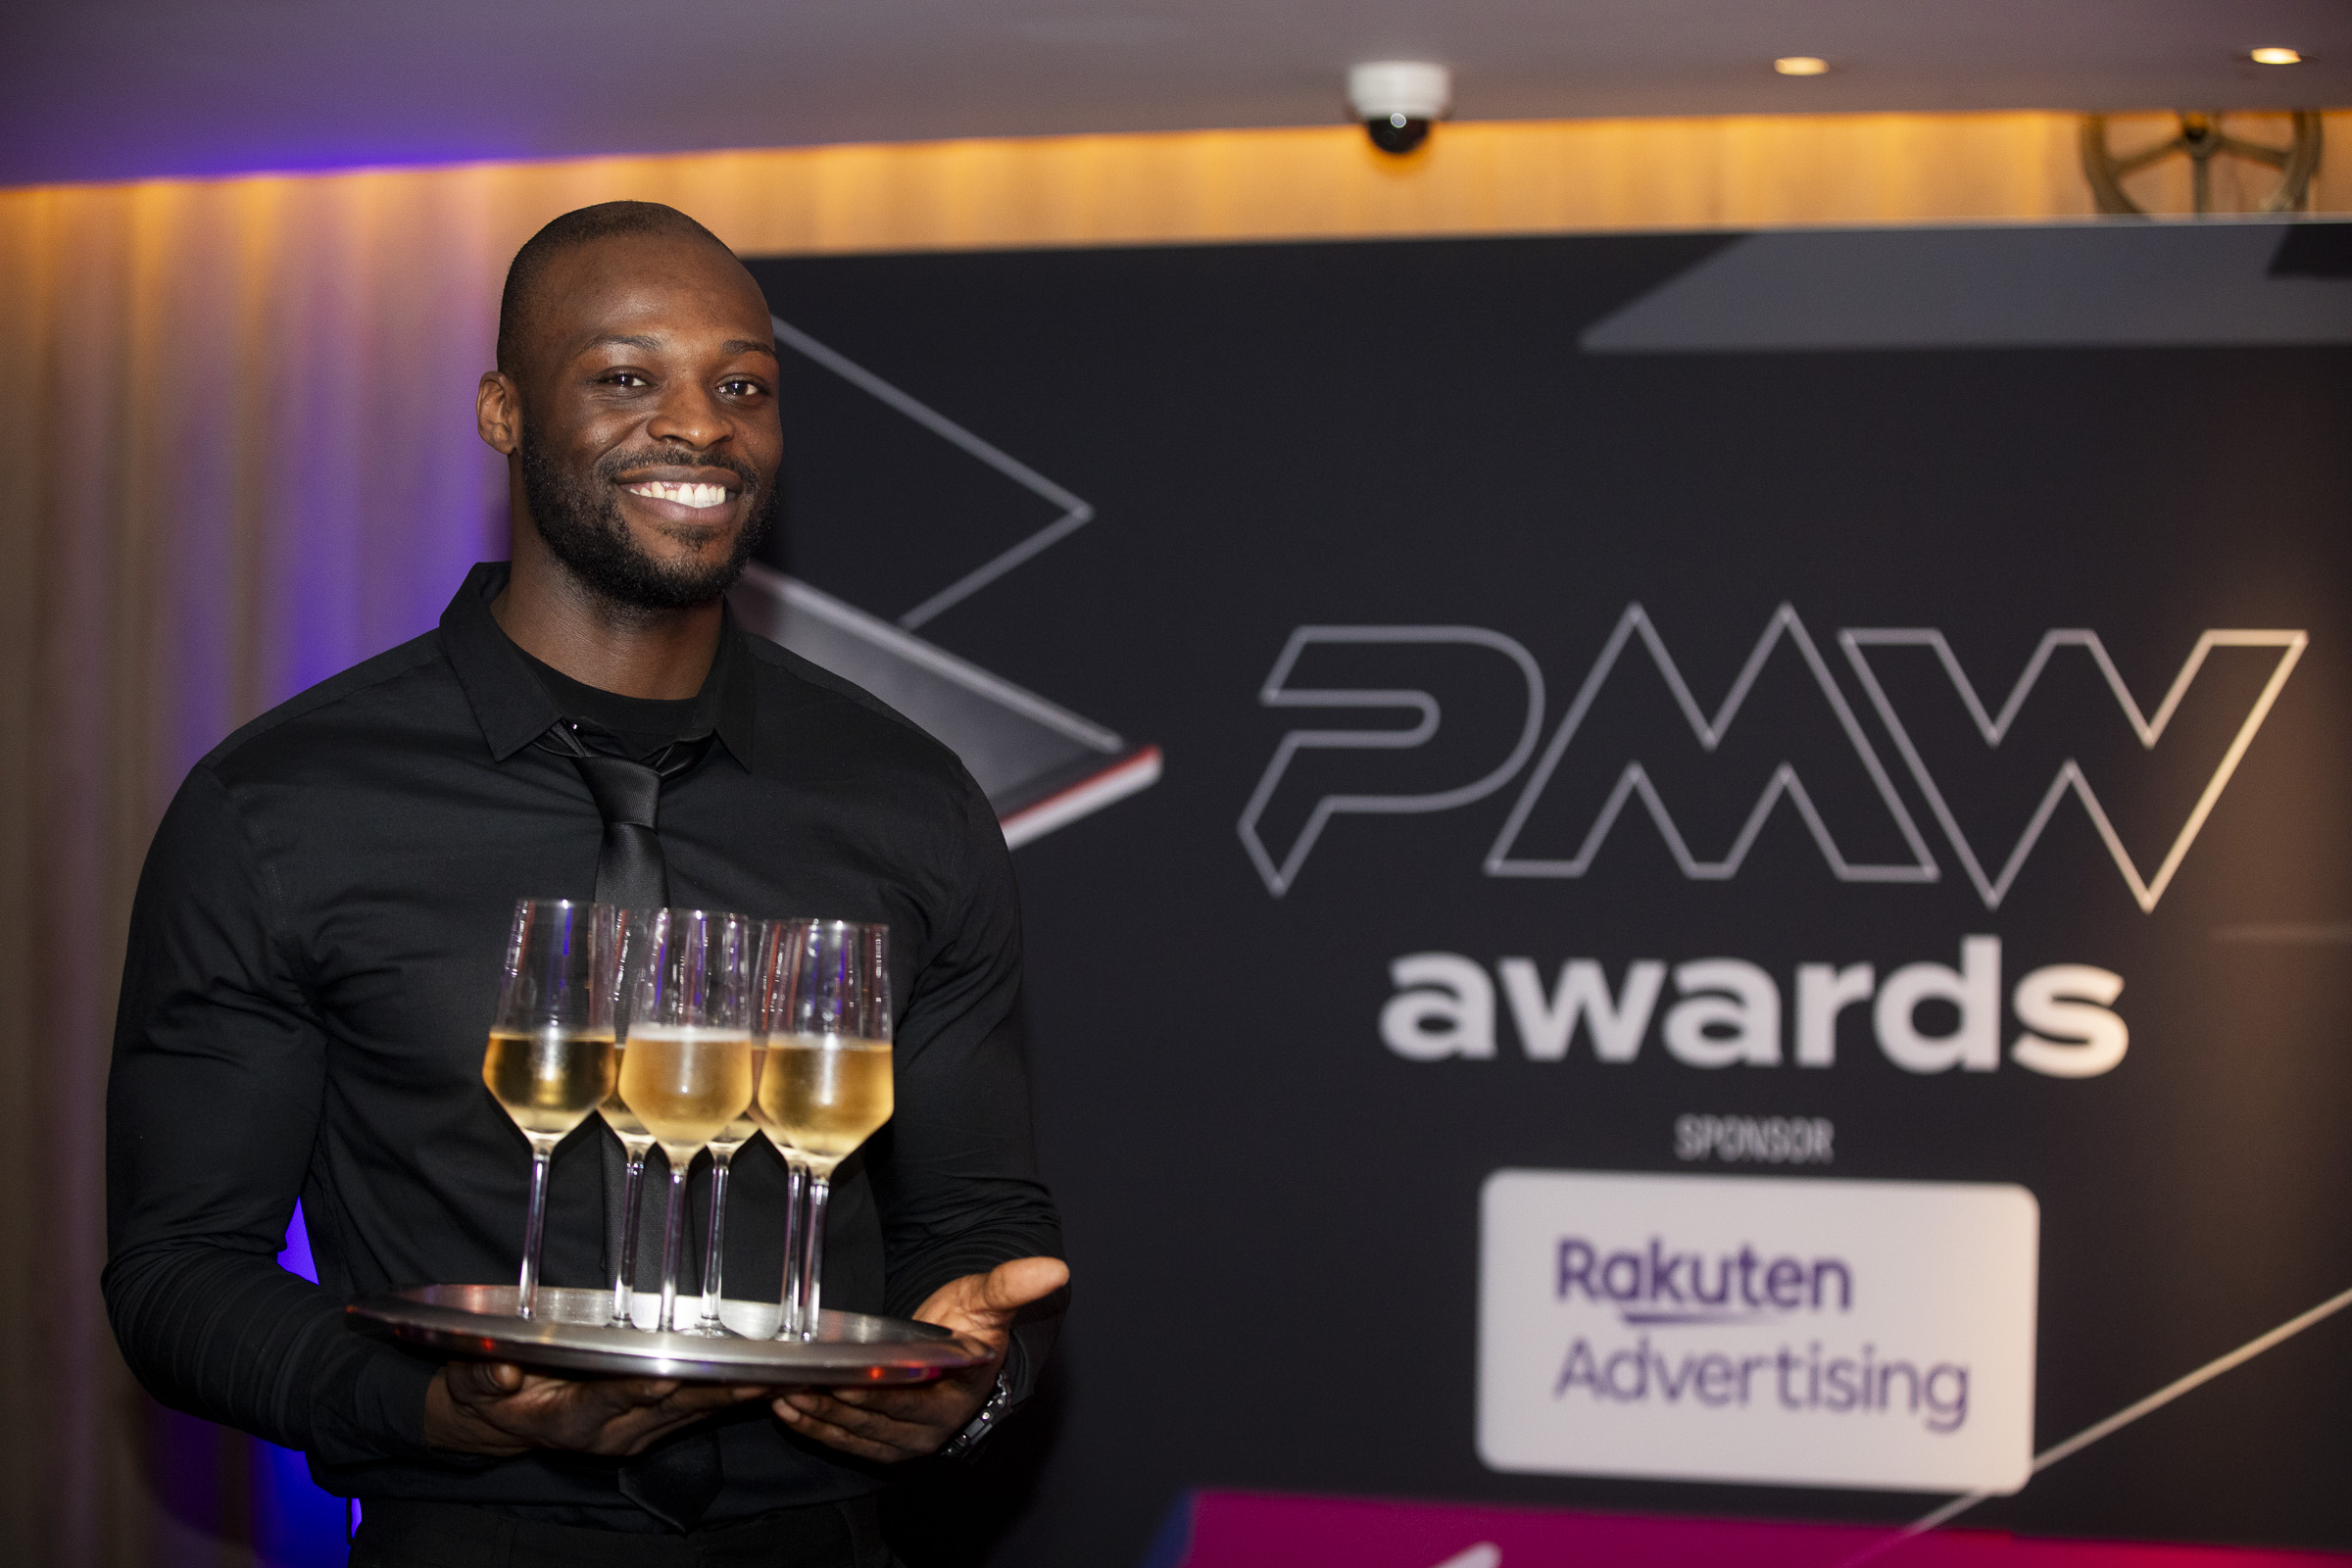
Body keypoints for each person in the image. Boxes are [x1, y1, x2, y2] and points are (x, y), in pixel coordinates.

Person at [104, 201, 1068, 1566]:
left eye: (743, 386)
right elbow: (179, 1272)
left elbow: (975, 1224)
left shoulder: (908, 801)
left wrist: (974, 1385)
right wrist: (434, 1409)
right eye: (626, 377)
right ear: (504, 412)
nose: (701, 426)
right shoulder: (281, 806)